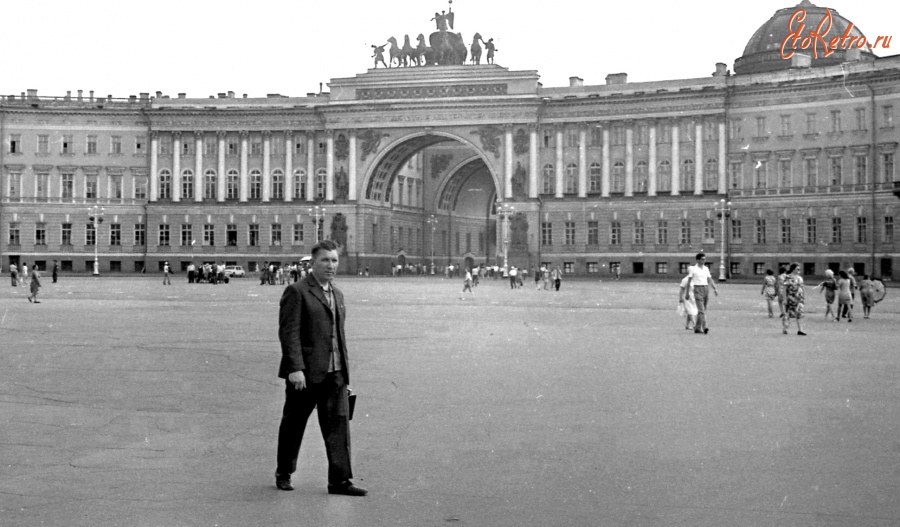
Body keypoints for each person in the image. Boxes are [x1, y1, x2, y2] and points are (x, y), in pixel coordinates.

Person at [276, 240, 367, 496]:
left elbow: (338, 336)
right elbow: (289, 332)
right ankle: (284, 472)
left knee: (339, 429)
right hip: (305, 374)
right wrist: (295, 368)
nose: (331, 265)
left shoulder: (337, 294)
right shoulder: (297, 291)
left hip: (335, 374)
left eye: (334, 260)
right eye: (325, 260)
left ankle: (340, 481)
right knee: (294, 426)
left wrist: (345, 373)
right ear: (312, 263)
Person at [685, 252, 718, 334]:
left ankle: (697, 328)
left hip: (706, 289)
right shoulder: (693, 269)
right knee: (701, 310)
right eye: (702, 259)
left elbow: (710, 279)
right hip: (697, 289)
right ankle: (705, 326)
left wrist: (715, 288)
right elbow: (689, 281)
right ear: (698, 260)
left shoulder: (706, 268)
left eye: (705, 259)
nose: (704, 261)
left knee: (703, 310)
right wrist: (687, 293)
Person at [782, 262, 806, 335]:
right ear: (793, 269)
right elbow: (784, 288)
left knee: (800, 314)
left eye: (799, 269)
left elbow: (802, 287)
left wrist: (804, 297)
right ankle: (785, 328)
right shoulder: (788, 277)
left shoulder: (800, 278)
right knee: (788, 314)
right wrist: (785, 299)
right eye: (797, 268)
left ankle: (800, 330)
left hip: (799, 299)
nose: (799, 270)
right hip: (790, 298)